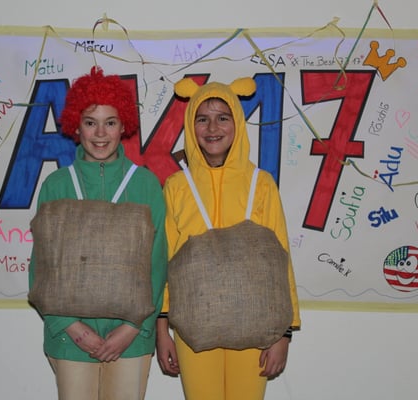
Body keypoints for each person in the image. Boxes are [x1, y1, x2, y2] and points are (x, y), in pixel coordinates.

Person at [155, 76, 301, 400]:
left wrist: (284, 332)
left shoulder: (261, 184)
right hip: (193, 323)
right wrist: (161, 329)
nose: (212, 128)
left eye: (223, 117)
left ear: (237, 122)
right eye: (202, 119)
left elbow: (281, 260)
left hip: (256, 323)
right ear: (190, 126)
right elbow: (165, 260)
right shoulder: (177, 187)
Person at [28, 66, 167, 400]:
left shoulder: (145, 184)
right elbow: (42, 267)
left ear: (124, 126)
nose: (101, 133)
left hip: (131, 339)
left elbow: (157, 262)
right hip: (69, 338)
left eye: (110, 122)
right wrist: (71, 327)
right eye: (91, 122)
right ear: (76, 126)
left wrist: (133, 327)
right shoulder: (56, 185)